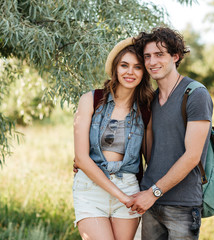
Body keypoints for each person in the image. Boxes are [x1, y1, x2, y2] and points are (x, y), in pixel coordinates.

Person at [126, 27, 213, 240]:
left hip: (182, 204)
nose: (152, 62)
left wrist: (153, 193)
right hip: (150, 203)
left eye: (159, 54)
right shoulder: (151, 99)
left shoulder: (195, 94)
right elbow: (146, 150)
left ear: (175, 56)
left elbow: (192, 156)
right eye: (147, 56)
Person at [72, 37, 154, 240]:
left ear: (144, 73)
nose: (130, 72)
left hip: (128, 186)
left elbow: (150, 157)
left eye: (137, 67)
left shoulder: (147, 109)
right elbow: (81, 158)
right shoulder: (90, 100)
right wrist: (121, 196)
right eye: (124, 65)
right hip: (91, 188)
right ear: (115, 68)